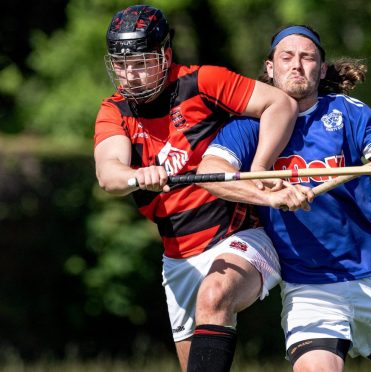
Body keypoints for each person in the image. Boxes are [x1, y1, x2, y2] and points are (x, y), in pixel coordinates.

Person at [199, 25, 371, 371]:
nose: (297, 66)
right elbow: (210, 173)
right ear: (270, 68)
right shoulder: (249, 125)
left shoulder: (348, 112)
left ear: (322, 68)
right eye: (287, 57)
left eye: (308, 58)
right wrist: (270, 197)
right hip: (309, 285)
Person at [93, 6, 310, 372]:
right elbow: (108, 172)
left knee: (214, 295)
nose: (130, 74)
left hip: (241, 235)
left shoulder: (203, 81)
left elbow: (280, 104)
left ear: (165, 55)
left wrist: (259, 168)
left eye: (142, 62)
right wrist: (137, 175)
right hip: (177, 256)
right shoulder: (114, 111)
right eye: (122, 64)